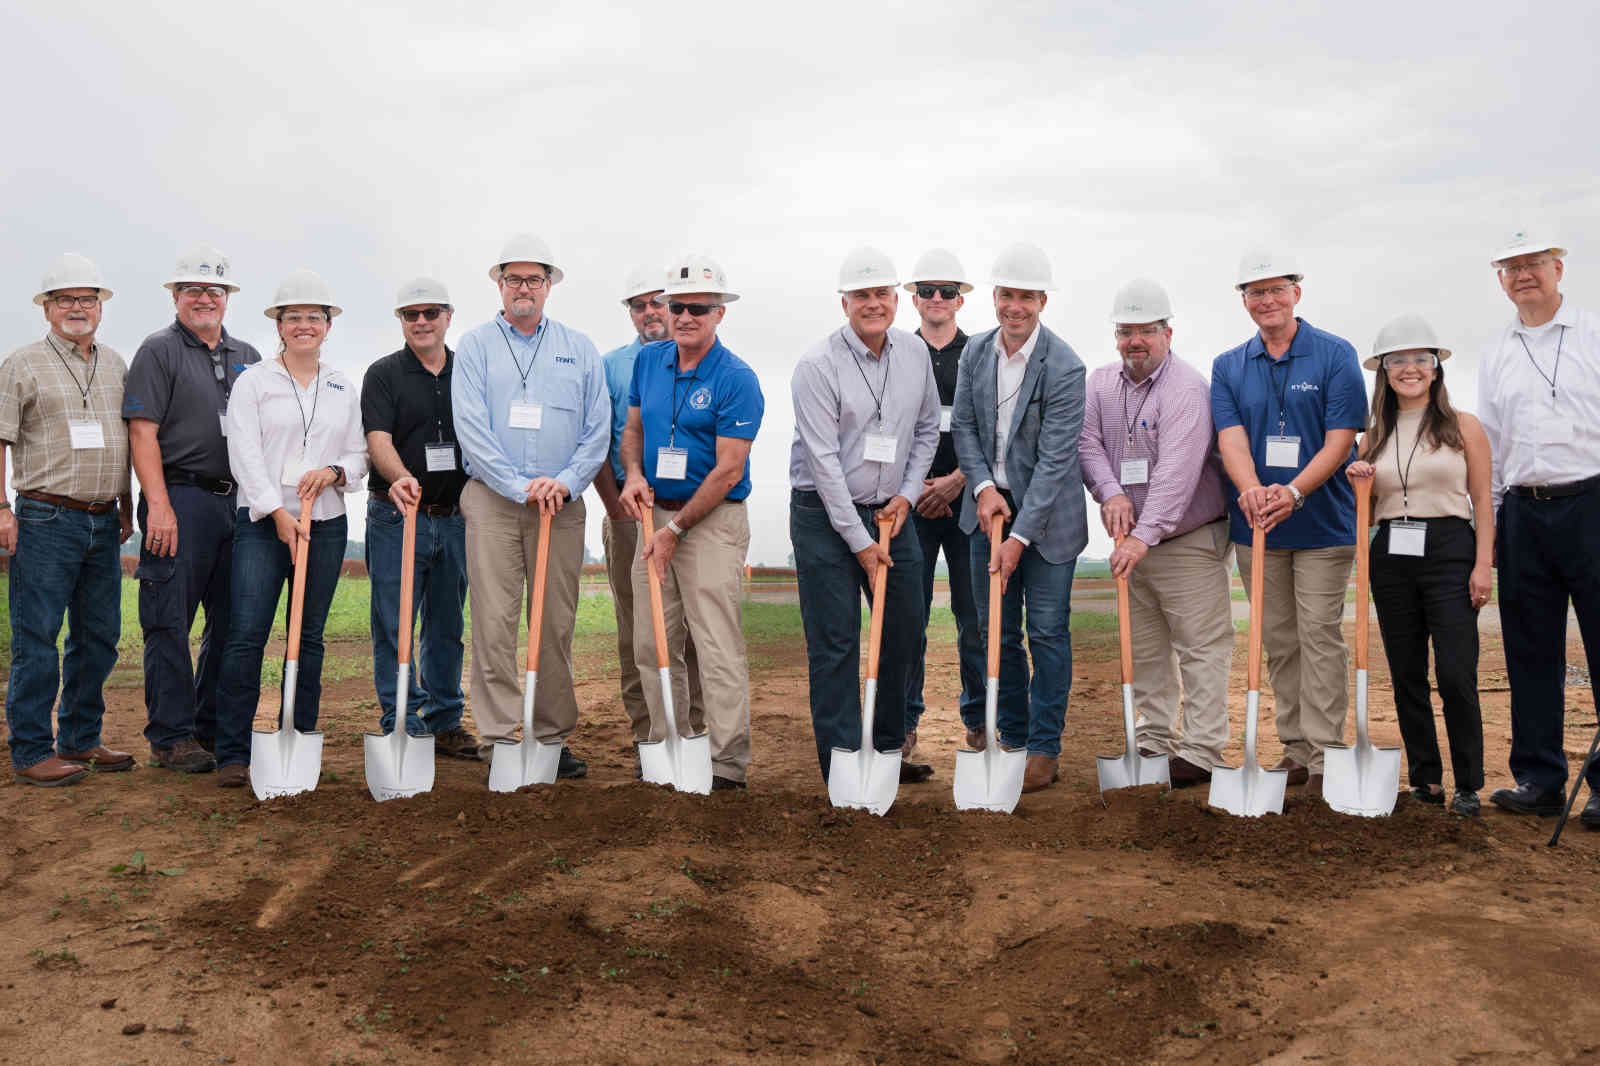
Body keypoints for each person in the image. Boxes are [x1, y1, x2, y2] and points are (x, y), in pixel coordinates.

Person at [1211, 249, 1367, 799]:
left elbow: (1341, 439)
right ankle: (1295, 749)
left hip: (1323, 526)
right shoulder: (1230, 365)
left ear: (1297, 292)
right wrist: (1252, 491)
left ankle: (1326, 752)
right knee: (1278, 640)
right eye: (1255, 292)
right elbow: (1230, 439)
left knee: (1318, 635)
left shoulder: (1334, 354)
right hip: (1257, 527)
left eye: (1276, 289)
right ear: (1244, 301)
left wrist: (1295, 492)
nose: (1267, 301)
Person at [453, 235, 609, 777]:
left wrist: (561, 484)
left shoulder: (578, 347)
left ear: (549, 286)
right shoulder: (475, 347)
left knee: (554, 624)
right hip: (494, 503)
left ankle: (549, 738)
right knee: (494, 623)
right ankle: (498, 738)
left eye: (534, 279)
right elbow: (472, 432)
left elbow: (597, 430)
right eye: (514, 279)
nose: (524, 288)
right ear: (499, 285)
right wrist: (522, 487)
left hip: (560, 508)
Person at [790, 247, 940, 784]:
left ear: (896, 299)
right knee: (836, 640)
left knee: (904, 629)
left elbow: (925, 430)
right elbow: (824, 464)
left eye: (881, 294)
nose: (872, 304)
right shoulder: (817, 366)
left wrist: (905, 495)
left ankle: (887, 750)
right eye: (861, 296)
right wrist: (858, 542)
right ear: (844, 302)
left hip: (891, 515)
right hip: (824, 515)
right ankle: (842, 762)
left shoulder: (914, 355)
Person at [213, 270, 367, 789]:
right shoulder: (253, 382)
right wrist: (274, 513)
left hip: (324, 522)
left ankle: (299, 736)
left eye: (314, 318)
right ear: (278, 325)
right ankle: (233, 751)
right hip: (263, 525)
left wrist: (336, 473)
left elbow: (358, 452)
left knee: (310, 636)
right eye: (293, 317)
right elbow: (245, 453)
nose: (304, 326)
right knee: (246, 635)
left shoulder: (344, 386)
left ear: (328, 326)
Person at [1079, 279, 1232, 787]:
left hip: (1184, 539)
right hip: (1131, 539)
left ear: (1168, 332)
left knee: (1200, 646)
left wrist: (1145, 535)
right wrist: (1110, 493)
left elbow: (1177, 471)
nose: (1134, 341)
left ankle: (1203, 749)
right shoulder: (1099, 384)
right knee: (1144, 648)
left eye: (1146, 330)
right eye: (1125, 331)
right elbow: (1086, 443)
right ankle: (1153, 739)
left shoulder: (1187, 389)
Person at [619, 254, 763, 790]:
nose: (685, 316)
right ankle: (670, 746)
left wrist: (674, 533)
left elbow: (728, 471)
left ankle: (726, 762)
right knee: (652, 642)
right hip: (652, 513)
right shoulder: (648, 362)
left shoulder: (737, 379)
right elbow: (632, 430)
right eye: (677, 306)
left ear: (719, 312)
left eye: (698, 308)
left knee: (714, 642)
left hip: (711, 523)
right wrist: (632, 473)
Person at [950, 242, 1087, 793]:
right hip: (989, 514)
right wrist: (983, 489)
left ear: (1042, 301)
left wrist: (1020, 536)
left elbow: (1056, 461)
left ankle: (1044, 749)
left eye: (1026, 297)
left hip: (1048, 525)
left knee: (1048, 632)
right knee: (996, 633)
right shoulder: (976, 354)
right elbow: (963, 427)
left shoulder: (1065, 365)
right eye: (1007, 295)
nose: (1015, 307)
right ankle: (1010, 736)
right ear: (995, 297)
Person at [123, 244, 261, 775]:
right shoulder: (158, 351)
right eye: (193, 290)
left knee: (230, 624)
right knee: (169, 621)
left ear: (227, 298)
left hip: (238, 503)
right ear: (176, 296)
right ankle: (171, 736)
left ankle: (209, 728)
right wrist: (157, 504)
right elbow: (142, 431)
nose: (204, 298)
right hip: (180, 499)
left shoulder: (247, 355)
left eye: (214, 290)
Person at [1345, 314, 1490, 817]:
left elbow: (1483, 501)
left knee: (1455, 673)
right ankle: (1426, 780)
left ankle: (1469, 782)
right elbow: (1363, 511)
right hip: (1392, 556)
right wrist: (1358, 479)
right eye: (1398, 361)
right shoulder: (1371, 436)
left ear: (1435, 368)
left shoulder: (1463, 426)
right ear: (1383, 372)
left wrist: (1483, 565)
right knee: (1407, 674)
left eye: (1420, 360)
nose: (1410, 369)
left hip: (1451, 549)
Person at [1477, 231, 1600, 824]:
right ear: (1501, 279)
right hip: (1523, 509)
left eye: (1534, 265)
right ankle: (1539, 778)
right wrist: (1494, 521)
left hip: (1591, 502)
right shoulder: (1497, 349)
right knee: (1529, 647)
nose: (1524, 275)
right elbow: (1494, 445)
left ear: (1558, 269)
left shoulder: (1593, 332)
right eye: (1511, 267)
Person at [0, 254, 135, 786]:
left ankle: (81, 738)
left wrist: (126, 502)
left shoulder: (118, 364)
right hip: (45, 516)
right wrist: (1, 509)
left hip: (104, 521)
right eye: (65, 300)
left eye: (87, 299)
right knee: (38, 637)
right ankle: (32, 750)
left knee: (99, 635)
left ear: (100, 307)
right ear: (47, 308)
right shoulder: (22, 364)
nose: (77, 308)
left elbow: (125, 439)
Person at [360, 278, 477, 760]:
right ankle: (402, 721)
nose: (422, 322)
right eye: (411, 314)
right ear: (400, 321)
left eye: (431, 313)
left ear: (449, 317)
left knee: (447, 624)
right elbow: (377, 438)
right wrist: (401, 478)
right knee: (394, 621)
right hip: (397, 515)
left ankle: (445, 720)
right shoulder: (383, 374)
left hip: (455, 518)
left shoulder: (470, 371)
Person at [597, 265, 704, 774]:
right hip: (629, 508)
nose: (650, 313)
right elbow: (600, 441)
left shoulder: (696, 359)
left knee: (692, 626)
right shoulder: (611, 366)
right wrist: (614, 501)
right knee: (637, 627)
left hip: (688, 510)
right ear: (631, 313)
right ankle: (648, 734)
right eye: (638, 305)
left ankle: (695, 727)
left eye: (657, 303)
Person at [900, 249, 977, 782]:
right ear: (913, 297)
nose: (936, 299)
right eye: (926, 290)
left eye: (946, 291)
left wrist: (958, 480)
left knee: (976, 618)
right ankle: (902, 728)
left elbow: (991, 429)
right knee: (909, 620)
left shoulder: (982, 354)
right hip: (910, 502)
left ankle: (979, 724)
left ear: (961, 298)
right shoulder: (897, 353)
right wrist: (916, 488)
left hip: (971, 500)